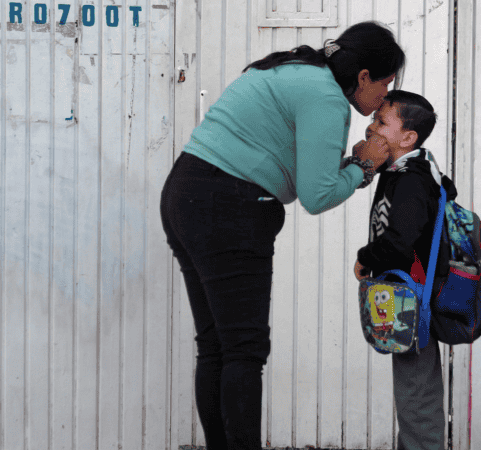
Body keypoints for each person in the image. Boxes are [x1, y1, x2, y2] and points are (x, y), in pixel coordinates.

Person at [159, 21, 405, 450]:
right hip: (230, 207)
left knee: (216, 343)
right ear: (363, 76)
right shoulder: (327, 97)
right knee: (243, 349)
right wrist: (364, 166)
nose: (386, 95)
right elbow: (318, 194)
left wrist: (348, 166)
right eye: (386, 83)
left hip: (186, 192)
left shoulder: (292, 68)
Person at [353, 90, 457, 450]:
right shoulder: (403, 170)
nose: (371, 128)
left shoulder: (412, 178)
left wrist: (365, 257)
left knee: (416, 390)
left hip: (414, 296)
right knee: (413, 383)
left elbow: (400, 240)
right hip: (406, 295)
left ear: (408, 138)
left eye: (382, 122)